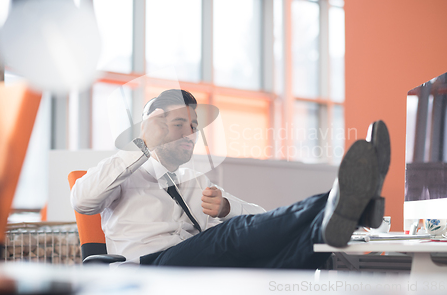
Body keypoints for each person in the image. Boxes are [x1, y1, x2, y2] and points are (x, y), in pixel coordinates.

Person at [71, 89, 390, 269]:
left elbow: (261, 223)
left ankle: (348, 207)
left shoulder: (193, 181)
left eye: (193, 126)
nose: (190, 134)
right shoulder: (123, 173)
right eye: (179, 124)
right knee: (230, 236)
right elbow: (82, 200)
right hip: (147, 270)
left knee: (292, 254)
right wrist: (140, 144)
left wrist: (226, 207)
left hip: (191, 268)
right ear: (152, 127)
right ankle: (343, 199)